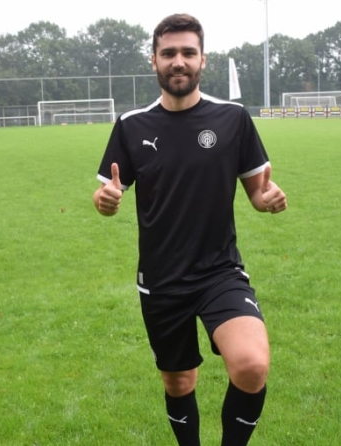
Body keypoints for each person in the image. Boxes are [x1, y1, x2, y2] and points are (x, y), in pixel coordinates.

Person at [92, 13, 287, 446]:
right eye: (168, 53)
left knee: (252, 364)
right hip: (161, 280)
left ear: (202, 60)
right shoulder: (132, 125)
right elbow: (107, 193)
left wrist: (268, 198)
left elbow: (257, 192)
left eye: (187, 52)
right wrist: (105, 201)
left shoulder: (232, 118)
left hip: (219, 272)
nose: (178, 61)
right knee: (179, 383)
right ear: (154, 60)